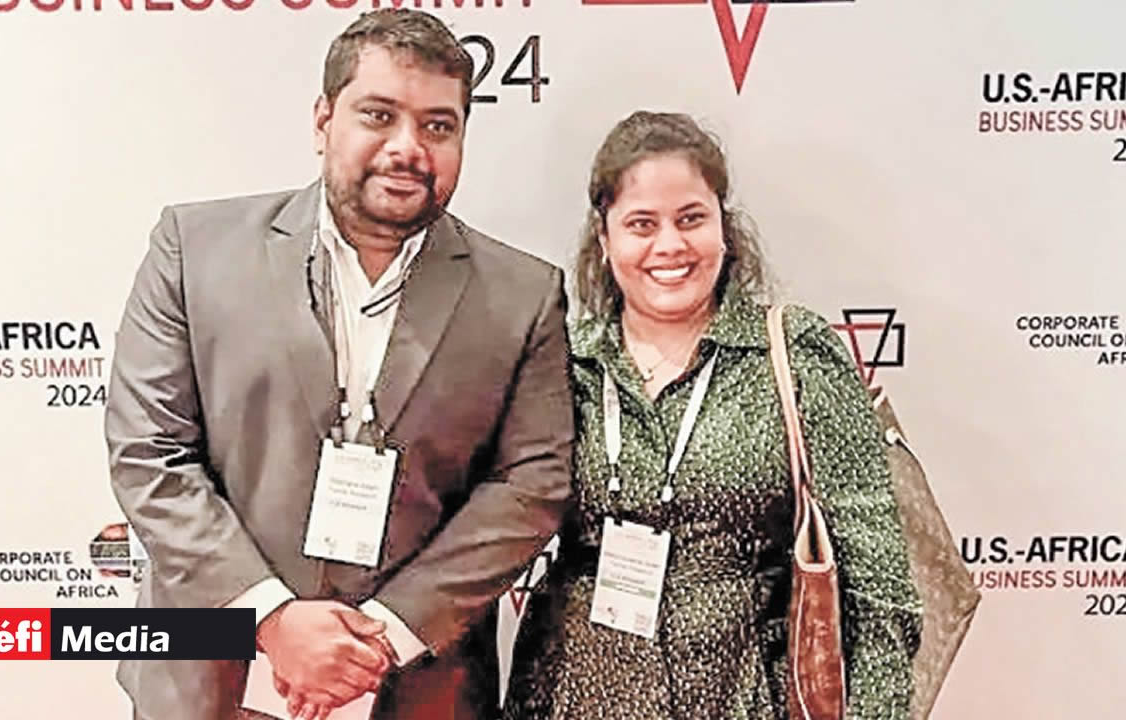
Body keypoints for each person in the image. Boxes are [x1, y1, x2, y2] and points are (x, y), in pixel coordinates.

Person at [104, 9, 575, 720]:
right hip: (211, 676)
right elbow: (149, 453)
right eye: (378, 116)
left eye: (438, 126)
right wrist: (270, 617)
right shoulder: (194, 251)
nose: (407, 147)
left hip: (418, 688)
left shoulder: (523, 295)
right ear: (324, 120)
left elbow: (531, 483)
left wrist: (382, 636)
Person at [502, 111, 923, 720]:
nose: (670, 246)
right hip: (572, 694)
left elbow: (878, 579)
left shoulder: (793, 354)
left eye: (691, 218)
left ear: (723, 224)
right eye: (642, 224)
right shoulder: (562, 362)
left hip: (747, 693)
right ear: (605, 236)